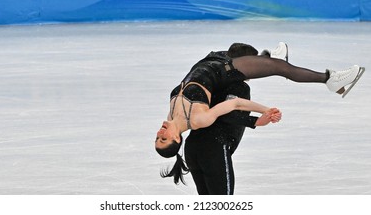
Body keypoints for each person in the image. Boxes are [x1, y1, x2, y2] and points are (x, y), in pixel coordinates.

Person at [155, 42, 364, 181]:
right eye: (163, 139)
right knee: (281, 69)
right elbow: (235, 105)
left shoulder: (171, 116)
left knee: (240, 49)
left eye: (157, 138)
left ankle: (270, 57)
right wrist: (264, 110)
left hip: (211, 60)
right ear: (176, 139)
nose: (159, 134)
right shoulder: (199, 119)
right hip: (226, 69)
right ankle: (331, 80)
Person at [183, 43, 271, 194]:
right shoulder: (238, 86)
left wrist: (266, 58)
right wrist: (256, 121)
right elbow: (228, 113)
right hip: (213, 148)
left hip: (192, 147)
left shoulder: (215, 75)